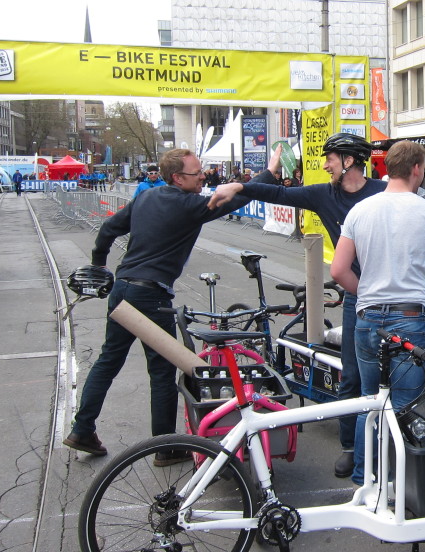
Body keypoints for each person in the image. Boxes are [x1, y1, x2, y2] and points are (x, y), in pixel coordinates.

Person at [62, 148, 274, 461]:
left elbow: (108, 229)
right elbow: (234, 201)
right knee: (161, 372)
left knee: (108, 361)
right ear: (177, 177)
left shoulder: (146, 198)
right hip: (150, 295)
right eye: (196, 173)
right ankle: (165, 447)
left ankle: (82, 429)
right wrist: (269, 174)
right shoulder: (188, 204)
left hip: (123, 288)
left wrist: (99, 264)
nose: (203, 177)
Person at [208, 133, 386, 478]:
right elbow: (279, 193)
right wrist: (238, 188)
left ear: (349, 160)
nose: (324, 165)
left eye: (330, 158)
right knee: (352, 375)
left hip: (393, 296)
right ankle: (351, 448)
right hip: (356, 296)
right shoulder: (324, 194)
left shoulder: (383, 192)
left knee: (402, 368)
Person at [330, 141, 425, 485]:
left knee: (371, 404)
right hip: (410, 316)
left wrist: (364, 292)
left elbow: (338, 270)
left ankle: (366, 480)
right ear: (416, 169)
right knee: (405, 408)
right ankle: (396, 486)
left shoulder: (360, 210)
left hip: (367, 317)